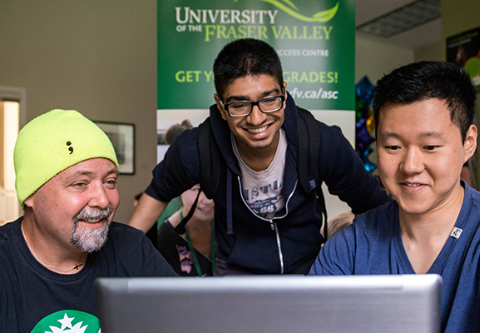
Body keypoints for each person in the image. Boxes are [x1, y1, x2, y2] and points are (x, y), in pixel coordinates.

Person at [129, 38, 391, 275]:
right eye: (239, 105)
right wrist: (119, 261)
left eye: (268, 99)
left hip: (309, 269)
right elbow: (157, 194)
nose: (257, 119)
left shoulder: (320, 141)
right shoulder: (197, 148)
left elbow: (375, 206)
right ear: (220, 106)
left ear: (284, 93)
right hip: (237, 273)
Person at [310, 61, 480, 333]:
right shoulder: (349, 248)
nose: (410, 166)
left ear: (468, 142)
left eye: (430, 146)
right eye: (393, 146)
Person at [0, 109, 176, 332]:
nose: (103, 200)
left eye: (110, 182)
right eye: (80, 184)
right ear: (31, 194)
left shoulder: (132, 247)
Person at [157, 185, 215, 276]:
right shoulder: (163, 239)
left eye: (214, 186)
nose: (208, 201)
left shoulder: (235, 228)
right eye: (196, 190)